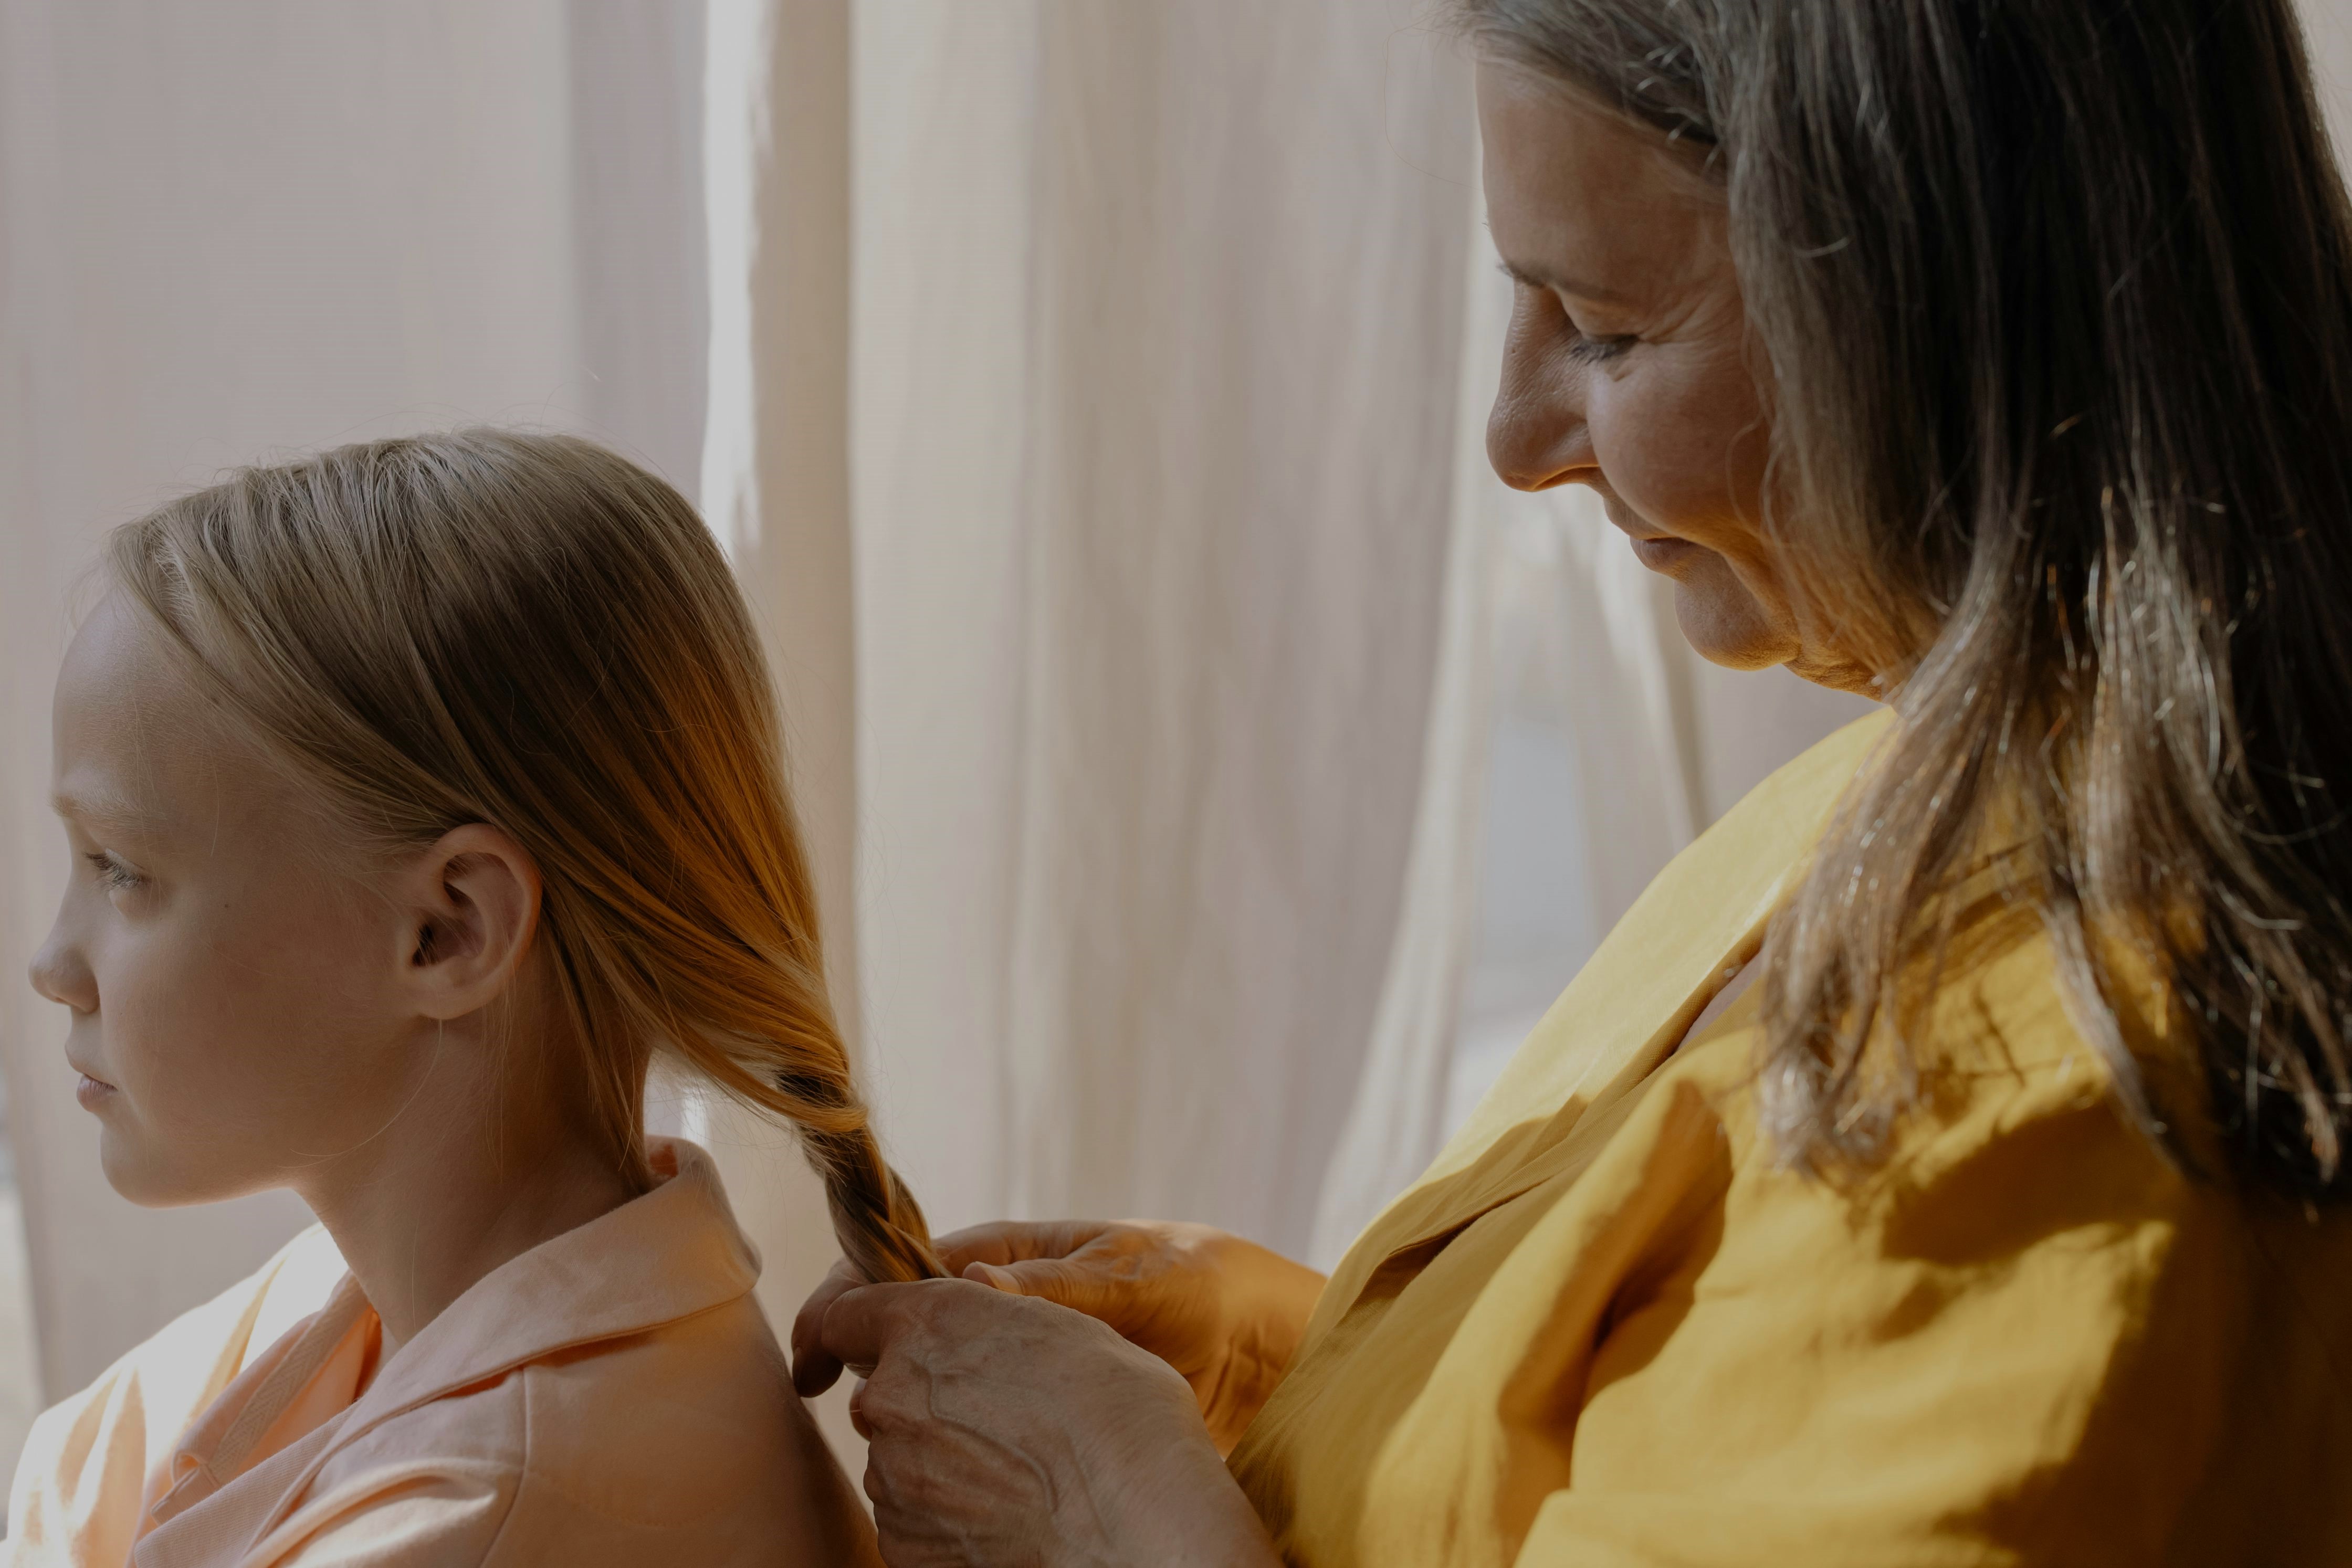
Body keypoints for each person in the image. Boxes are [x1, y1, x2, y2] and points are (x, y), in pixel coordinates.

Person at [795, 0, 2352, 1561]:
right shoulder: (1876, 801)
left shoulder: (2083, 1095)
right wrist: (1315, 1357)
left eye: (1605, 329)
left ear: (1949, 305)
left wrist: (1112, 1505)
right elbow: (1718, 1398)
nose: (1516, 439)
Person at [13, 430, 939, 1565]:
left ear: (449, 929)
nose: (53, 965)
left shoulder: (487, 1520)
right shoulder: (362, 1300)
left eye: (120, 870)